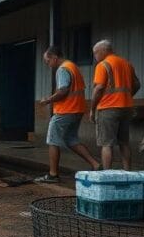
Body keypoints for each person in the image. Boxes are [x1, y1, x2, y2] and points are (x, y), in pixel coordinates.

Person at [34, 46, 100, 183]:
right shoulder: (73, 66)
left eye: (48, 61)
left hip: (65, 110)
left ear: (54, 57)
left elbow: (63, 90)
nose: (48, 65)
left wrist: (47, 100)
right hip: (77, 109)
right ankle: (95, 164)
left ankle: (53, 175)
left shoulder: (63, 69)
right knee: (71, 139)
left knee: (52, 140)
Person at [90, 39, 141, 170]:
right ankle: (128, 172)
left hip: (107, 109)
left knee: (107, 144)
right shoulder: (126, 64)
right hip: (126, 108)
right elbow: (137, 84)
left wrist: (92, 108)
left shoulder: (103, 65)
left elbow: (99, 88)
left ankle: (107, 175)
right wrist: (126, 96)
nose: (95, 56)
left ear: (103, 51)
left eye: (95, 53)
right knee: (124, 143)